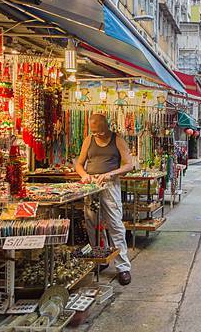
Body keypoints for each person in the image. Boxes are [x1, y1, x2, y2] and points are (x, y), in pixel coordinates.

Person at [76, 113, 133, 285]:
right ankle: (100, 258)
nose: (96, 135)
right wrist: (84, 175)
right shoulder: (89, 140)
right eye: (93, 132)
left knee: (115, 224)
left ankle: (123, 267)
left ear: (106, 126)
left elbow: (129, 164)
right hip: (91, 185)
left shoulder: (118, 140)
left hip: (109, 185)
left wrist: (110, 174)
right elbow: (79, 164)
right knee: (92, 223)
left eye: (99, 132)